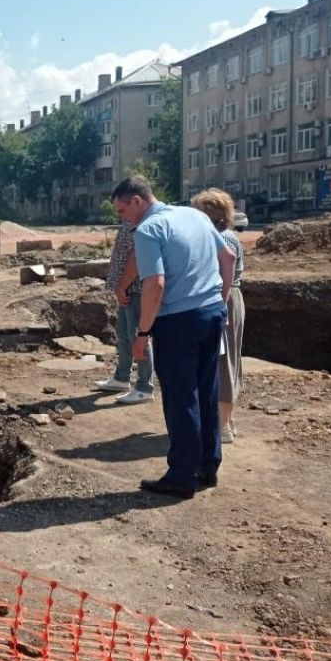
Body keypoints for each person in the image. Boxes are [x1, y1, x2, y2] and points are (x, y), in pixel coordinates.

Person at [111, 176, 236, 499]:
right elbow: (228, 259)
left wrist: (143, 331)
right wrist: (218, 303)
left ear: (138, 201)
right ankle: (208, 468)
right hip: (210, 315)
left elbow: (156, 284)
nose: (123, 217)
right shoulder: (193, 215)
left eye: (123, 210)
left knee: (181, 398)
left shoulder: (149, 230)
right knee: (206, 391)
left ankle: (182, 476)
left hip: (177, 321)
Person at [191, 189, 245, 444]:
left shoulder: (223, 238)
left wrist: (219, 308)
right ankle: (225, 420)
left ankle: (222, 426)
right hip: (225, 299)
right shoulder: (224, 235)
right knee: (224, 360)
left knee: (224, 362)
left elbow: (224, 272)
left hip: (223, 299)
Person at [96, 219, 155, 404]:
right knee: (123, 334)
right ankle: (121, 378)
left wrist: (123, 285)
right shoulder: (130, 223)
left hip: (136, 288)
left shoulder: (143, 225)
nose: (119, 213)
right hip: (126, 288)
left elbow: (138, 258)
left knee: (138, 337)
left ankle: (145, 387)